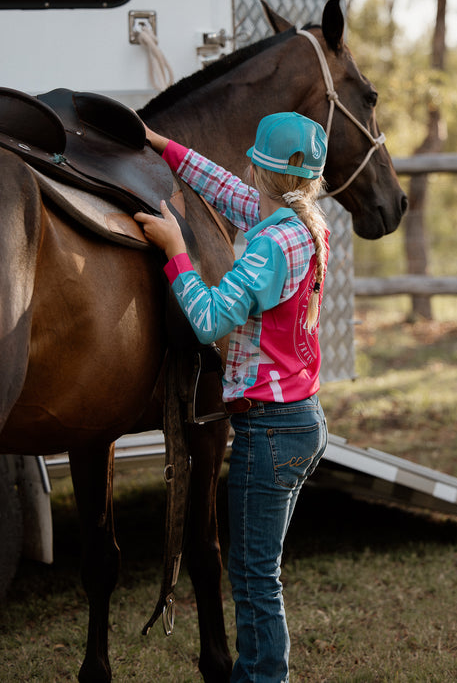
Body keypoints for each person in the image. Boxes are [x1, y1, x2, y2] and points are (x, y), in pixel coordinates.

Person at [134, 111, 330, 683]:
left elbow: (210, 319)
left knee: (252, 576)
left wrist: (175, 249)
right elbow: (225, 189)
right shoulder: (302, 224)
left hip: (268, 431)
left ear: (259, 167)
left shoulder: (269, 248)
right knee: (259, 571)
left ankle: (265, 678)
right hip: (300, 420)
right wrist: (162, 145)